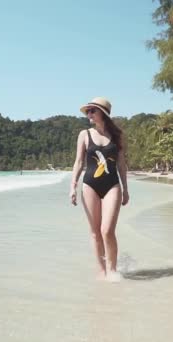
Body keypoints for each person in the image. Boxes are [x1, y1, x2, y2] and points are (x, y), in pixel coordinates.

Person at [69, 97, 129, 282]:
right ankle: (102, 271)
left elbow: (121, 164)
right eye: (87, 111)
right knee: (95, 231)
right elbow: (79, 162)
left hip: (112, 185)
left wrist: (126, 189)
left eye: (92, 111)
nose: (89, 114)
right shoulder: (84, 135)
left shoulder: (117, 136)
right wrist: (73, 186)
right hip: (90, 186)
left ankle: (113, 269)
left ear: (102, 113)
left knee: (107, 231)